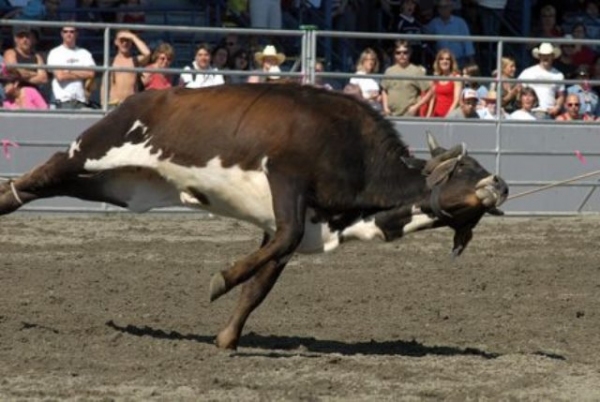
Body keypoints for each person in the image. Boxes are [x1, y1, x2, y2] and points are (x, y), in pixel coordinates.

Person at [46, 24, 97, 109]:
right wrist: (81, 72)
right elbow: (60, 76)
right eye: (65, 31)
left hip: (80, 100)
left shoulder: (84, 53)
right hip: (61, 100)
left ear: (77, 34)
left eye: (71, 32)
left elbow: (91, 73)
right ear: (61, 34)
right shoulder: (54, 53)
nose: (68, 34)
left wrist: (68, 72)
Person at [101, 29, 150, 109]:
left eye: (127, 40)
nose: (125, 43)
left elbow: (147, 53)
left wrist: (133, 37)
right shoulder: (110, 61)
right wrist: (103, 104)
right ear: (116, 42)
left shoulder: (134, 60)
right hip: (113, 105)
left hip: (131, 105)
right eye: (122, 40)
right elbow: (104, 85)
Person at [381, 40, 430, 117]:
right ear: (394, 54)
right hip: (391, 115)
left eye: (405, 52)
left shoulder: (416, 71)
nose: (402, 55)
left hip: (409, 116)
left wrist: (416, 107)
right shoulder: (389, 71)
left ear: (410, 53)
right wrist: (385, 108)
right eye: (398, 52)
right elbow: (384, 90)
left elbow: (431, 91)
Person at [517, 43, 565, 120]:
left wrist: (557, 107)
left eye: (548, 55)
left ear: (552, 56)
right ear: (539, 56)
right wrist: (524, 106)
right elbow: (519, 89)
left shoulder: (559, 75)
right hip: (530, 112)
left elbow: (561, 95)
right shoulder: (528, 72)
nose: (545, 57)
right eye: (543, 55)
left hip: (549, 112)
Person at [425, 0, 475, 68]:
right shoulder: (434, 23)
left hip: (459, 60)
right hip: (442, 61)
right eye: (440, 7)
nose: (443, 9)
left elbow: (467, 43)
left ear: (451, 8)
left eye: (445, 7)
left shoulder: (460, 22)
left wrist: (471, 61)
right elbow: (424, 32)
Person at [3, 26, 48, 92]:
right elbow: (13, 70)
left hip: (34, 93)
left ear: (31, 39)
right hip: (16, 93)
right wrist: (35, 74)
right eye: (21, 37)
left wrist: (20, 75)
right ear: (16, 39)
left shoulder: (37, 56)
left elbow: (43, 79)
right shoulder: (10, 52)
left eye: (27, 36)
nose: (25, 39)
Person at [425, 48, 462, 118]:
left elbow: (456, 99)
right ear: (438, 62)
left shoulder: (456, 77)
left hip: (451, 117)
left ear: (451, 62)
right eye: (441, 59)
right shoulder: (436, 78)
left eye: (447, 59)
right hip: (436, 116)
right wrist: (428, 116)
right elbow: (433, 98)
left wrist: (448, 116)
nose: (444, 61)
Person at [349, 47, 382, 111]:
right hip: (364, 110)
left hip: (377, 110)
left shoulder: (376, 77)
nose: (371, 62)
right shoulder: (357, 76)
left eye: (373, 59)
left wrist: (379, 98)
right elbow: (353, 97)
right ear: (362, 61)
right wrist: (369, 98)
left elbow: (380, 94)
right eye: (368, 59)